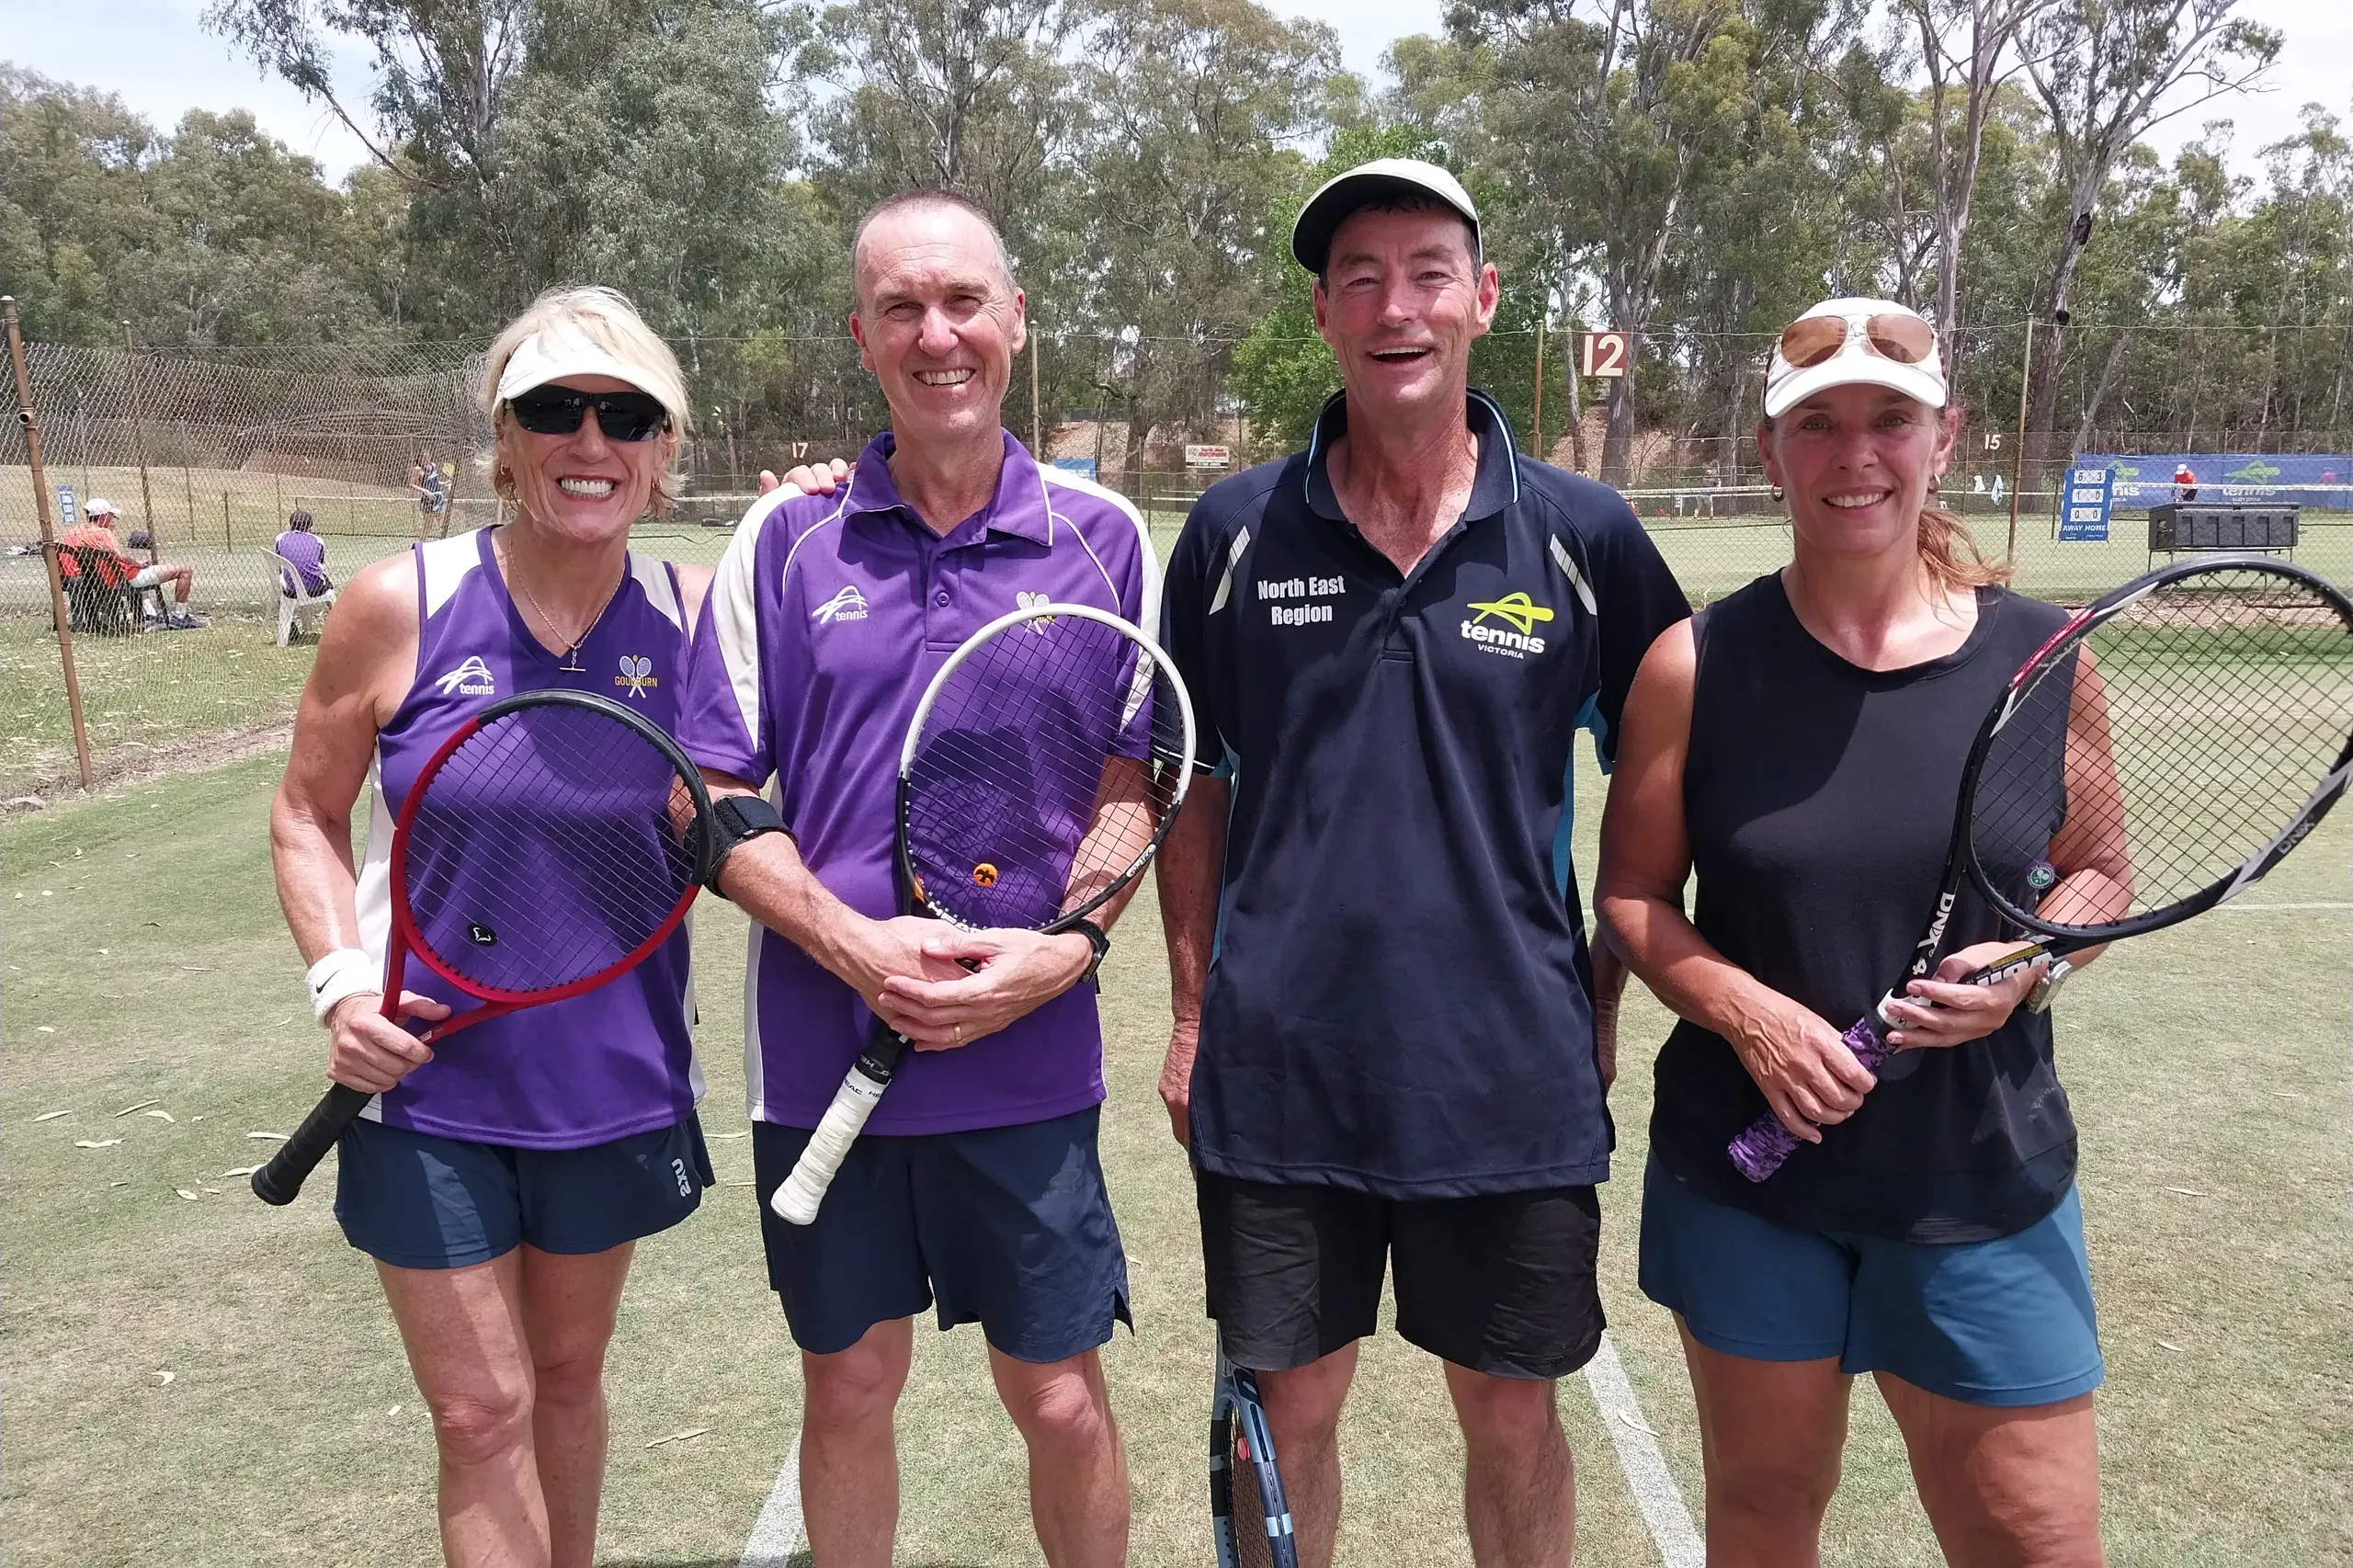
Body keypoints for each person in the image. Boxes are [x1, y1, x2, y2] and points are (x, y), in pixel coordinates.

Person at [1153, 159, 1689, 1568]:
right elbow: (1190, 787)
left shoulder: (1583, 535)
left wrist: (1606, 1002)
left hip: (1507, 1071)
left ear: (1482, 299)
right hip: (1281, 1067)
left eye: (1428, 271)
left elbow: (1669, 782)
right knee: (1287, 1408)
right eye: (1361, 278)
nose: (1398, 305)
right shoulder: (1231, 535)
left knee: (1513, 1417)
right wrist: (1194, 1014)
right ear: (1325, 312)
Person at [1596, 296, 2120, 1568]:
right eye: (1817, 425)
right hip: (1751, 1183)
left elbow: (2096, 873)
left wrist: (2033, 957)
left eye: (1891, 420)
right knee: (1767, 1518)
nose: (1855, 455)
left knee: (2036, 1542)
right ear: (1774, 451)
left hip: (1979, 1173)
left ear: (1946, 437)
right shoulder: (1695, 662)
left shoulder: (2044, 651)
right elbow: (1632, 898)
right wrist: (1754, 1014)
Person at [677, 189, 1154, 1568]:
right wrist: (848, 943)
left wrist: (1063, 948)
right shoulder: (785, 539)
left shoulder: (1107, 537)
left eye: (963, 302)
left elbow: (1138, 774)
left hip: (1030, 1060)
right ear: (864, 337)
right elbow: (710, 788)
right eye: (902, 308)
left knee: (1062, 1400)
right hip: (822, 1056)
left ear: (1016, 319)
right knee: (848, 1388)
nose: (936, 333)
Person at [270, 285, 711, 1568]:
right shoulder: (395, 603)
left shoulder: (693, 622)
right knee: (481, 1409)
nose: (592, 440)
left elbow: (738, 816)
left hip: (613, 1082)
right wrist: (339, 986)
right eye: (553, 410)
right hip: (425, 1090)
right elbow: (305, 813)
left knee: (567, 1379)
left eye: (626, 413)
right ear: (502, 439)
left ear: (664, 450)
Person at [59, 498, 204, 629]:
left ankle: (149, 612)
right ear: (103, 516)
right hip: (128, 577)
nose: (112, 520)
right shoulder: (103, 532)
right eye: (111, 516)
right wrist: (138, 564)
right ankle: (179, 616)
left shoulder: (82, 533)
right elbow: (121, 557)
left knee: (155, 569)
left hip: (106, 579)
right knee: (185, 570)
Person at [274, 509, 335, 598]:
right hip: (315, 589)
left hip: (290, 589)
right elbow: (320, 562)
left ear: (291, 525)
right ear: (310, 526)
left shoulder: (281, 538)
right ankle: (332, 609)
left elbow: (279, 559)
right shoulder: (318, 540)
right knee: (328, 584)